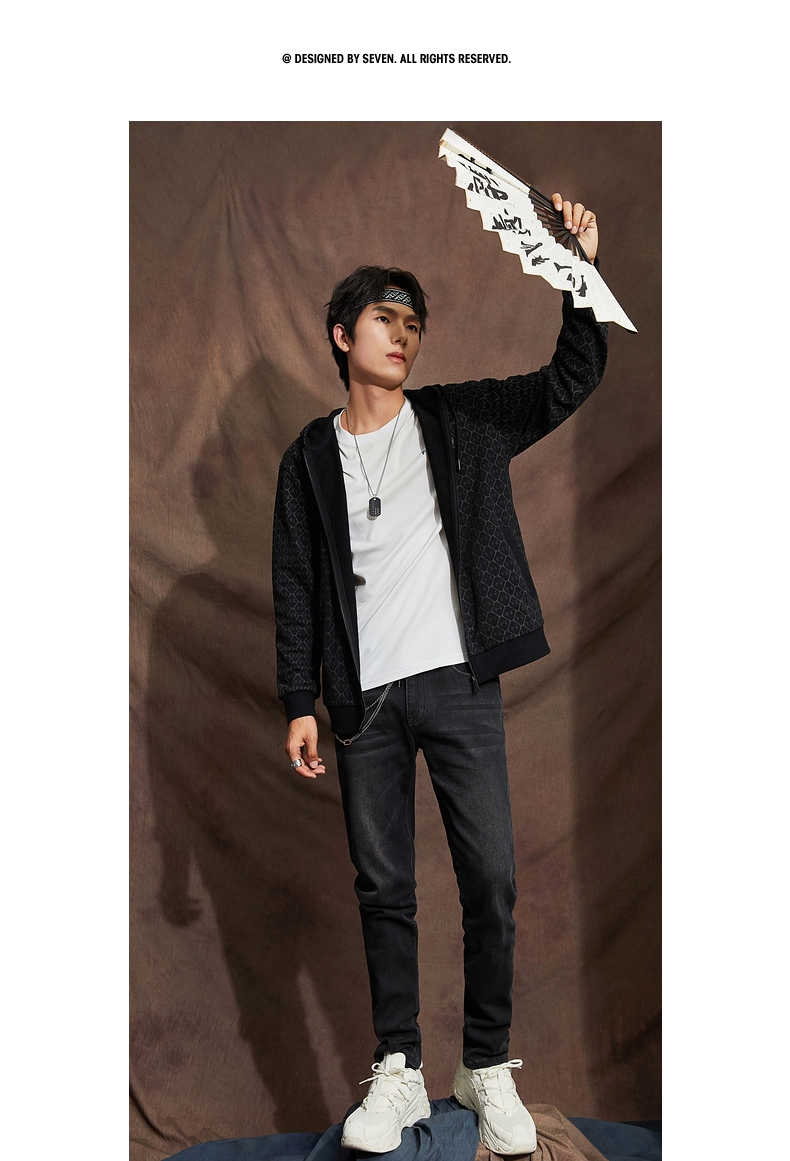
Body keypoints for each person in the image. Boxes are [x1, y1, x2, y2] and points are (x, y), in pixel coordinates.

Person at [272, 194, 607, 1155]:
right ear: (343, 335)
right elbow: (295, 583)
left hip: (459, 682)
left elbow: (567, 380)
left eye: (414, 324)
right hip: (364, 701)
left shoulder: (459, 421)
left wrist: (577, 271)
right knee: (383, 886)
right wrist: (300, 698)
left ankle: (486, 1062)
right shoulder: (309, 458)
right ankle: (398, 1068)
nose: (404, 336)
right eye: (385, 319)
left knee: (491, 877)